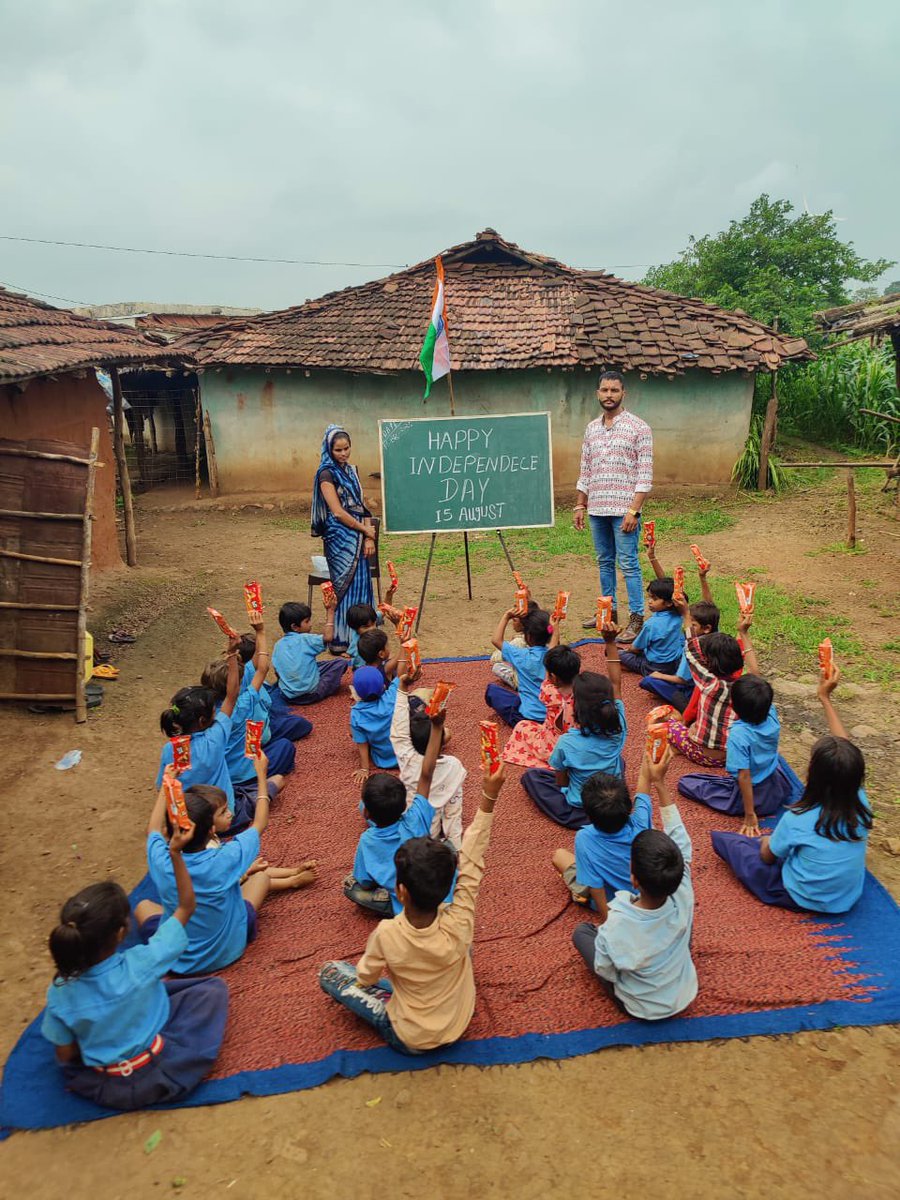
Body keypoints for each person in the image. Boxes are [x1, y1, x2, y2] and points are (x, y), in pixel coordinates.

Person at [320, 762, 505, 1054]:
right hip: (459, 1020)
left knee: (331, 972)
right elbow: (472, 854)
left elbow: (366, 978)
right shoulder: (461, 916)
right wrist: (489, 796)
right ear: (449, 886)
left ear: (401, 891)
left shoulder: (387, 932)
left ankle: (395, 1006)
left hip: (411, 1037)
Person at [41, 822, 229, 1110]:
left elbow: (65, 1056)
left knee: (159, 991)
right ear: (120, 933)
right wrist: (176, 853)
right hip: (164, 1071)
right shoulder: (145, 960)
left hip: (105, 1087)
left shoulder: (59, 993)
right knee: (211, 989)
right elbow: (186, 907)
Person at [137, 754, 316, 974]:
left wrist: (167, 784)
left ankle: (292, 878)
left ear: (169, 831)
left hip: (180, 960)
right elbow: (260, 823)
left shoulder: (161, 860)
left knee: (143, 906)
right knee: (260, 878)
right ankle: (292, 881)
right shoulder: (227, 856)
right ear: (211, 828)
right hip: (229, 947)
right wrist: (261, 774)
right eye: (222, 812)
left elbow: (152, 831)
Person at [711, 669, 871, 914]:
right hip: (847, 896)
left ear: (814, 776)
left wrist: (766, 841)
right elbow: (846, 748)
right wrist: (825, 697)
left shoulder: (799, 818)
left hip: (802, 895)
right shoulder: (861, 801)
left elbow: (767, 857)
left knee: (727, 841)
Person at [572, 749, 698, 1020]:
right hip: (684, 992)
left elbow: (607, 970)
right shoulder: (684, 890)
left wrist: (606, 926)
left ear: (634, 878)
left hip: (638, 1007)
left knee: (581, 933)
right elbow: (680, 837)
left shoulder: (617, 920)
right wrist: (658, 780)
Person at [574, 371, 653, 643]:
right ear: (598, 393)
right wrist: (579, 504)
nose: (609, 395)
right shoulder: (591, 429)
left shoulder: (639, 428)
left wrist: (633, 511)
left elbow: (645, 475)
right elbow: (586, 468)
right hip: (597, 509)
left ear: (623, 394)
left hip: (623, 511)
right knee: (604, 562)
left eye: (614, 390)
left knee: (629, 563)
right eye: (604, 390)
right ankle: (608, 613)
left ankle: (637, 618)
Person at [343, 708, 447, 916]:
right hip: (430, 893)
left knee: (351, 886)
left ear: (367, 815)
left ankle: (390, 899)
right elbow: (426, 774)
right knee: (447, 850)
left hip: (399, 901)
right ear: (404, 804)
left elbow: (364, 882)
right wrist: (436, 727)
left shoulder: (367, 840)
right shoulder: (416, 816)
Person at [520, 629, 627, 828]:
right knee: (619, 761)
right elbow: (616, 683)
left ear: (576, 708)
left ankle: (576, 818)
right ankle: (610, 804)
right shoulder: (618, 726)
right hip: (612, 795)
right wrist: (610, 642)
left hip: (579, 804)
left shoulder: (568, 741)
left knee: (532, 777)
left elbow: (562, 782)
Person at [678, 673, 800, 835]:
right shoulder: (771, 713)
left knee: (686, 782)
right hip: (777, 784)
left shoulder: (738, 734)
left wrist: (750, 814)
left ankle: (746, 807)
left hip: (755, 795)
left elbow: (744, 776)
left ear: (734, 707)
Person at [551, 757, 654, 921]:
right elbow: (644, 782)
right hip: (646, 899)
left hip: (612, 903)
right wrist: (650, 748)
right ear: (628, 805)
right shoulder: (640, 823)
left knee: (559, 856)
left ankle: (580, 895)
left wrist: (608, 922)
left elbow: (596, 887)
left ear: (587, 812)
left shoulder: (584, 838)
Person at [311, 424, 376, 652]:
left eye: (346, 448)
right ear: (329, 450)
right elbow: (337, 512)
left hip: (359, 536)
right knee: (344, 586)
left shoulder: (352, 471)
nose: (343, 453)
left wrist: (369, 537)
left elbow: (363, 507)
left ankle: (363, 638)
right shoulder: (326, 474)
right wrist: (364, 530)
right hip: (339, 537)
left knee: (362, 585)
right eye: (338, 450)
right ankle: (341, 639)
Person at [157, 642, 241, 809]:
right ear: (203, 720)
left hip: (190, 824)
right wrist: (232, 655)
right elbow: (232, 695)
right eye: (213, 710)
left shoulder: (170, 749)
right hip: (224, 817)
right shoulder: (216, 736)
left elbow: (162, 787)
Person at [391, 668, 466, 849]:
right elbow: (453, 813)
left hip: (410, 829)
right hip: (432, 834)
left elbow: (399, 730)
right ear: (442, 741)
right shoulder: (454, 766)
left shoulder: (407, 758)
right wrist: (456, 847)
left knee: (371, 802)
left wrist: (402, 686)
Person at [665, 617, 749, 767]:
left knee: (667, 723)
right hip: (731, 755)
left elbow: (690, 649)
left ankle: (680, 748)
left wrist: (685, 613)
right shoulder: (744, 686)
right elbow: (754, 669)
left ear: (709, 661)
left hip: (704, 754)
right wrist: (743, 633)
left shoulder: (710, 684)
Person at [501, 644, 581, 769]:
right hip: (576, 749)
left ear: (553, 677)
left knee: (523, 726)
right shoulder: (584, 692)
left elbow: (547, 680)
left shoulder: (550, 693)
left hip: (551, 749)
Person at [484, 606, 553, 727]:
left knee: (492, 690)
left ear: (528, 636)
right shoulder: (554, 656)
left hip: (527, 718)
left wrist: (506, 616)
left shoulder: (521, 655)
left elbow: (496, 640)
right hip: (552, 716)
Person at [270, 599, 348, 705]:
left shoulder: (278, 645)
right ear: (295, 627)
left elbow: (277, 672)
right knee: (340, 663)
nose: (310, 624)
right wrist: (330, 611)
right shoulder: (306, 639)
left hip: (287, 696)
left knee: (313, 665)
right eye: (307, 621)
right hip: (310, 694)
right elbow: (328, 637)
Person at [618, 577, 685, 677]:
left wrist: (626, 651)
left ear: (669, 602)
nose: (649, 601)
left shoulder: (651, 624)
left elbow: (635, 649)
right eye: (649, 597)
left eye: (654, 598)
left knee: (617, 654)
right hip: (676, 663)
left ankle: (641, 669)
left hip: (655, 667)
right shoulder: (679, 615)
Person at [351, 670, 401, 783]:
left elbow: (361, 743)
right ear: (383, 686)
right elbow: (401, 674)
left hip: (382, 760)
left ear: (356, 693)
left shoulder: (356, 713)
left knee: (355, 731)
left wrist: (365, 768)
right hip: (407, 754)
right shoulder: (391, 696)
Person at [489, 598, 538, 690]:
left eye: (514, 620)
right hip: (542, 677)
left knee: (497, 667)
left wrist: (506, 617)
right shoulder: (545, 634)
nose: (512, 622)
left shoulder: (519, 642)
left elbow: (495, 657)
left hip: (524, 683)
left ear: (523, 624)